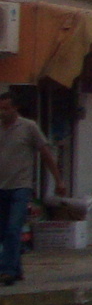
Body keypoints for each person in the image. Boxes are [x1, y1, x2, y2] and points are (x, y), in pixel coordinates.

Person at [0, 90, 62, 286]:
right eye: (0, 109)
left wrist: (58, 180)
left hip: (21, 185)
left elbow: (45, 153)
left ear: (15, 108)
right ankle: (16, 269)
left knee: (13, 227)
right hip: (1, 186)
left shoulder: (29, 127)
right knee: (3, 230)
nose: (2, 112)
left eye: (6, 108)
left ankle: (7, 270)